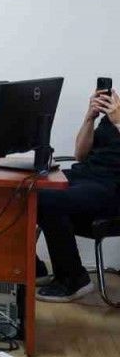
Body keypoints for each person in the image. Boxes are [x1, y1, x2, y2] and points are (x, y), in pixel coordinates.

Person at [35, 86, 120, 302]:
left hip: (112, 186)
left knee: (48, 199)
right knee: (24, 187)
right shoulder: (113, 112)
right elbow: (80, 155)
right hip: (85, 175)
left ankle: (74, 279)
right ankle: (34, 269)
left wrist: (119, 122)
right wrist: (90, 117)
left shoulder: (117, 116)